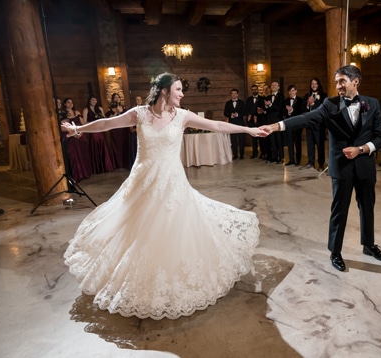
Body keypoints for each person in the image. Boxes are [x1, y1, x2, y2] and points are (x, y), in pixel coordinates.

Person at [60, 73, 267, 319]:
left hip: (172, 187)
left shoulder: (182, 117)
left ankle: (173, 281)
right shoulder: (139, 114)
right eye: (178, 89)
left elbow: (218, 126)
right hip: (141, 185)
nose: (182, 94)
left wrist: (249, 129)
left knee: (174, 233)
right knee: (137, 235)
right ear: (164, 91)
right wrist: (77, 130)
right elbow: (107, 123)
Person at [260, 65, 381, 272]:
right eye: (336, 82)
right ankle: (335, 252)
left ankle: (369, 245)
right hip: (341, 167)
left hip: (365, 166)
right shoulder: (330, 105)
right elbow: (305, 118)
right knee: (339, 210)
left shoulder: (372, 104)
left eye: (342, 81)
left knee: (367, 207)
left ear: (355, 81)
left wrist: (362, 149)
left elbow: (380, 137)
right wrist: (276, 126)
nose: (337, 86)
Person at [303, 78, 327, 170]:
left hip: (319, 125)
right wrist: (308, 104)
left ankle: (321, 164)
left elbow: (322, 109)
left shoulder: (324, 96)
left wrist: (314, 103)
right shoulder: (307, 95)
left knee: (320, 145)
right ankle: (311, 162)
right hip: (309, 124)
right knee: (310, 144)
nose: (314, 85)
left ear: (318, 85)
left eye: (316, 84)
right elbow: (303, 109)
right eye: (312, 84)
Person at [283, 85, 305, 165]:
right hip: (289, 125)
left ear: (296, 91)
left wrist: (292, 110)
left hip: (297, 125)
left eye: (292, 90)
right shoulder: (286, 101)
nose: (291, 92)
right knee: (290, 142)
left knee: (297, 143)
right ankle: (291, 160)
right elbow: (283, 112)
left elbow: (302, 111)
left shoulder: (300, 100)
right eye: (289, 91)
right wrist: (288, 112)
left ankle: (298, 161)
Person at [223, 88, 245, 159]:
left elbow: (244, 112)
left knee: (241, 139)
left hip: (240, 122)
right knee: (233, 139)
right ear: (231, 95)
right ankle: (235, 154)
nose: (233, 95)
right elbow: (225, 113)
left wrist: (238, 114)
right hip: (232, 123)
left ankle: (242, 154)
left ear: (237, 94)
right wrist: (231, 115)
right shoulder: (228, 103)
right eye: (232, 93)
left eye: (235, 93)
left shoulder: (242, 103)